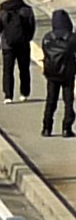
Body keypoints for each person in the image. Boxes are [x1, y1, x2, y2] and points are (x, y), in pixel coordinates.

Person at [0, 0, 37, 104]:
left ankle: (8, 95)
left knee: (8, 70)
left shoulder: (3, 9)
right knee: (24, 69)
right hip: (23, 44)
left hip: (7, 44)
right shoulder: (27, 9)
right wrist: (27, 38)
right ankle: (24, 93)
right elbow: (32, 26)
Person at [41, 9, 76, 138]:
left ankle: (47, 127)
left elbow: (45, 54)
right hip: (68, 74)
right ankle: (67, 128)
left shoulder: (47, 38)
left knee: (51, 100)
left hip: (51, 74)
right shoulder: (71, 38)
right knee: (68, 101)